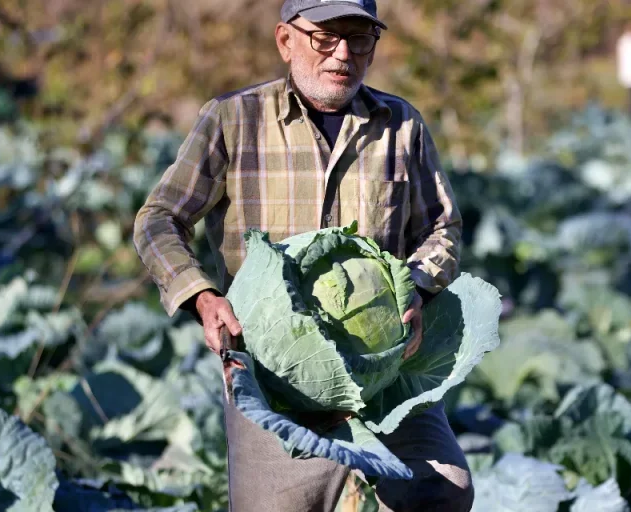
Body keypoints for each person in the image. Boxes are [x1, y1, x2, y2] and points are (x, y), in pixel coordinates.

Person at [132, 1, 471, 511]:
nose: (342, 55)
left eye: (360, 39)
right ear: (285, 41)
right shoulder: (233, 119)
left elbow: (442, 226)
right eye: (324, 38)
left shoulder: (401, 125)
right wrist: (201, 296)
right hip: (274, 374)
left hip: (382, 371)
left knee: (441, 490)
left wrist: (418, 288)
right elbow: (159, 218)